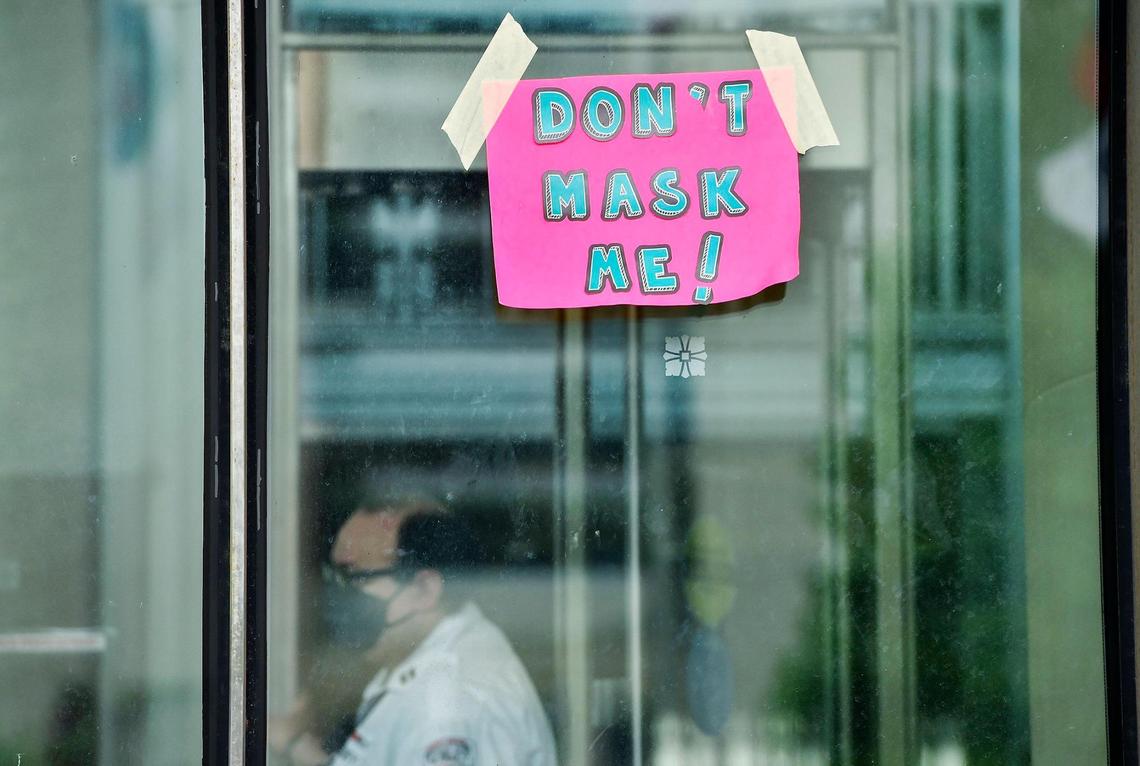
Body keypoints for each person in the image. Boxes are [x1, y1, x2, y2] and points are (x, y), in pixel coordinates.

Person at [270, 496, 557, 765]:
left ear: (424, 590)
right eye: (333, 577)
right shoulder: (428, 658)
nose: (338, 596)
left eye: (353, 578)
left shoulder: (446, 707)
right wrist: (295, 744)